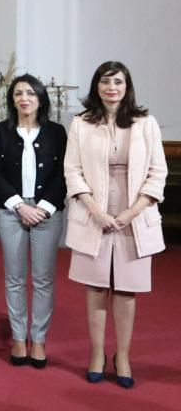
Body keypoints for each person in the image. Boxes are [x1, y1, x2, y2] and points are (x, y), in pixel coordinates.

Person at [64, 61, 167, 389]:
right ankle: (97, 354)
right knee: (95, 287)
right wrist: (95, 210)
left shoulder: (145, 123)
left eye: (118, 82)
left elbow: (158, 172)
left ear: (127, 87)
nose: (112, 88)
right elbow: (72, 171)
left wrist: (133, 211)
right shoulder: (81, 124)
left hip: (133, 216)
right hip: (95, 214)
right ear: (96, 86)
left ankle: (122, 355)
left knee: (125, 289)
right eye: (106, 82)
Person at [0, 74, 66, 368]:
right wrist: (20, 205)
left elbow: (64, 174)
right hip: (12, 211)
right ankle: (19, 337)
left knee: (44, 279)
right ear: (12, 99)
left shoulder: (57, 132)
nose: (25, 98)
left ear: (41, 99)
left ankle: (40, 338)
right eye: (19, 93)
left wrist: (43, 207)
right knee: (15, 278)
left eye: (31, 94)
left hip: (48, 211)